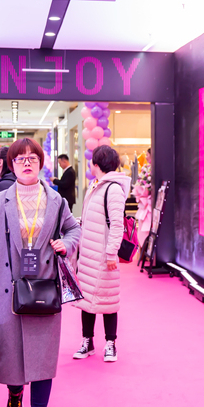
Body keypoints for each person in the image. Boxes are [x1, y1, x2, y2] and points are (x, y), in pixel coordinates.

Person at [0, 138, 80, 407]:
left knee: (44, 358)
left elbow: (74, 229)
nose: (26, 163)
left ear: (40, 163)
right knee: (11, 356)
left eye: (31, 158)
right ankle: (15, 390)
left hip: (45, 289)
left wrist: (66, 244)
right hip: (7, 289)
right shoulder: (0, 202)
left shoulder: (56, 200)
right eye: (19, 159)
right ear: (11, 165)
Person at [72, 145, 131, 362]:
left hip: (104, 256)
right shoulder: (96, 186)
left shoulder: (113, 189)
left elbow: (117, 225)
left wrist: (111, 253)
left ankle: (110, 343)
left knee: (108, 299)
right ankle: (87, 341)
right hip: (88, 254)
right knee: (86, 299)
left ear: (96, 164)